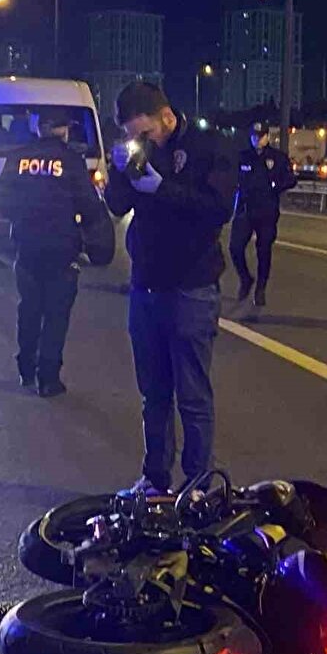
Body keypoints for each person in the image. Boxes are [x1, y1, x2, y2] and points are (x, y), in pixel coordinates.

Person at [105, 82, 235, 496]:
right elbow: (116, 205)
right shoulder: (138, 149)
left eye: (145, 132)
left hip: (192, 286)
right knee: (153, 395)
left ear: (166, 116)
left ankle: (198, 483)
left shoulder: (206, 145)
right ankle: (155, 479)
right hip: (145, 283)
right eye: (132, 133)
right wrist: (120, 168)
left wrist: (164, 188)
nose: (141, 140)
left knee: (192, 395)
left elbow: (218, 208)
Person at [0, 106, 106, 397]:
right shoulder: (71, 161)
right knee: (56, 314)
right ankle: (49, 378)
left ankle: (25, 367)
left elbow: (1, 203)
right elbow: (90, 206)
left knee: (29, 308)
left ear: (38, 128)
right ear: (64, 130)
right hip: (61, 249)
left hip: (27, 247)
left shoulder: (17, 159)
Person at [229, 120, 297, 306]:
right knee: (235, 247)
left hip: (266, 211)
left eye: (260, 137)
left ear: (267, 137)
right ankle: (245, 278)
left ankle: (261, 287)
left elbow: (290, 179)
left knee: (263, 251)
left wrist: (275, 187)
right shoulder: (242, 157)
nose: (256, 140)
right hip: (245, 210)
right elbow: (230, 178)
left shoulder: (277, 158)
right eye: (253, 136)